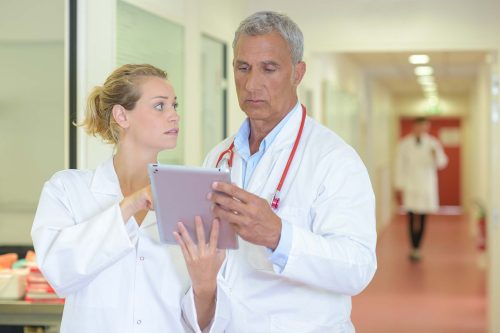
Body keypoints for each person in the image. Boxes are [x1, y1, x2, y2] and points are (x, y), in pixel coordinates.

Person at [204, 11, 377, 332]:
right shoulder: (219, 156)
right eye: (243, 68)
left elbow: (358, 268)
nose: (252, 83)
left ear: (298, 73)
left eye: (269, 69)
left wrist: (279, 236)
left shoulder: (334, 159)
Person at [31, 64, 227, 333]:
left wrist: (205, 286)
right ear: (122, 115)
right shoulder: (67, 190)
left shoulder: (193, 196)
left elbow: (203, 323)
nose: (174, 116)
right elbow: (59, 272)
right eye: (160, 106)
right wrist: (131, 204)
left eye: (175, 106)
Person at [395, 117, 448, 261]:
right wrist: (399, 185)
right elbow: (399, 164)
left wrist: (435, 155)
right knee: (411, 216)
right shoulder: (404, 144)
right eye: (419, 126)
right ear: (414, 127)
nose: (422, 129)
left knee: (423, 217)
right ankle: (413, 247)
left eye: (425, 127)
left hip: (426, 184)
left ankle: (418, 247)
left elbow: (442, 162)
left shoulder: (433, 143)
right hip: (411, 184)